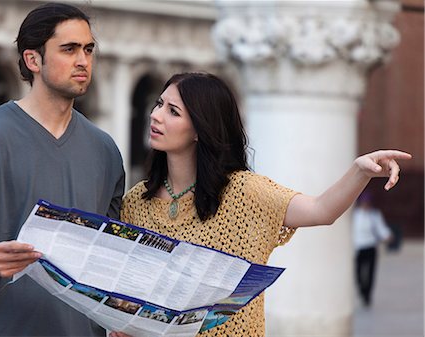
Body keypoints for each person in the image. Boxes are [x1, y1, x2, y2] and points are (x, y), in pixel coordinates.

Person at [115, 72, 411, 337]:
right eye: (158, 104)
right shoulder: (136, 201)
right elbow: (128, 288)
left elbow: (322, 210)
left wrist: (359, 171)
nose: (156, 115)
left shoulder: (246, 193)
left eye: (173, 111)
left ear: (199, 129)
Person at [0, 3, 125, 336]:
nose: (83, 61)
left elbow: (108, 261)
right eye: (69, 49)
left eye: (88, 49)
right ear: (33, 60)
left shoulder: (106, 150)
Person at [353, 191, 393, 307]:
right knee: (359, 273)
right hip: (358, 247)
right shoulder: (355, 216)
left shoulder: (374, 215)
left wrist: (387, 236)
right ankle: (362, 290)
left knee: (370, 273)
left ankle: (367, 295)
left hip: (370, 246)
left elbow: (380, 228)